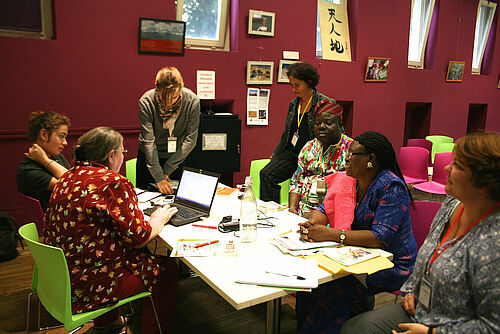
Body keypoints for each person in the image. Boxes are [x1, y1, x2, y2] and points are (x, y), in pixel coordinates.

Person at [341, 132, 500, 334]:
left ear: (484, 184)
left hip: (449, 325)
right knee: (354, 328)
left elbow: (492, 327)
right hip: (420, 308)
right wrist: (411, 291)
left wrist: (430, 333)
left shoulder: (494, 242)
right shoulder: (452, 204)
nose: (446, 168)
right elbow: (428, 254)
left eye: (458, 166)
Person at [44, 127, 179, 334]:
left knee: (111, 253)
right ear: (111, 154)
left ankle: (107, 323)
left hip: (63, 278)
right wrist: (157, 219)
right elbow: (139, 238)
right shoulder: (111, 181)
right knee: (168, 269)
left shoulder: (67, 177)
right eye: (123, 152)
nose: (123, 157)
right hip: (92, 284)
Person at [296, 131, 418, 334]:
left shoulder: (391, 187)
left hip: (391, 263)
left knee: (331, 289)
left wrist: (330, 234)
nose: (346, 159)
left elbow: (380, 238)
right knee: (306, 284)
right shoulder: (349, 181)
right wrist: (312, 223)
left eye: (352, 154)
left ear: (371, 159)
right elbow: (326, 210)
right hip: (356, 254)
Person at [260, 62, 341, 203]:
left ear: (309, 83)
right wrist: (276, 154)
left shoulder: (325, 103)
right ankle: (271, 212)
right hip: (293, 153)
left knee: (307, 185)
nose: (293, 89)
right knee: (266, 174)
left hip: (313, 156)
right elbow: (287, 133)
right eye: (291, 85)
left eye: (297, 85)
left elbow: (337, 134)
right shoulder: (294, 104)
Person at [137, 66, 200, 194]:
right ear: (157, 89)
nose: (169, 103)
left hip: (177, 158)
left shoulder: (192, 101)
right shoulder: (146, 101)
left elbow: (190, 140)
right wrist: (159, 176)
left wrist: (167, 170)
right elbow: (149, 142)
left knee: (177, 200)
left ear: (181, 89)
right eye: (163, 97)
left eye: (174, 97)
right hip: (149, 160)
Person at [288, 103, 352, 216]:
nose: (321, 126)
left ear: (340, 124)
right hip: (304, 212)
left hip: (334, 215)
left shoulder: (351, 149)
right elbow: (297, 181)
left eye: (328, 123)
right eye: (318, 123)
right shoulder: (309, 147)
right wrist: (292, 209)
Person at [16, 111, 71, 211]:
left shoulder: (59, 157)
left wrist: (45, 160)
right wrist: (45, 160)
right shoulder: (28, 170)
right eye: (61, 136)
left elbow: (75, 180)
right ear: (44, 134)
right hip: (50, 223)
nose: (65, 142)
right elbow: (70, 185)